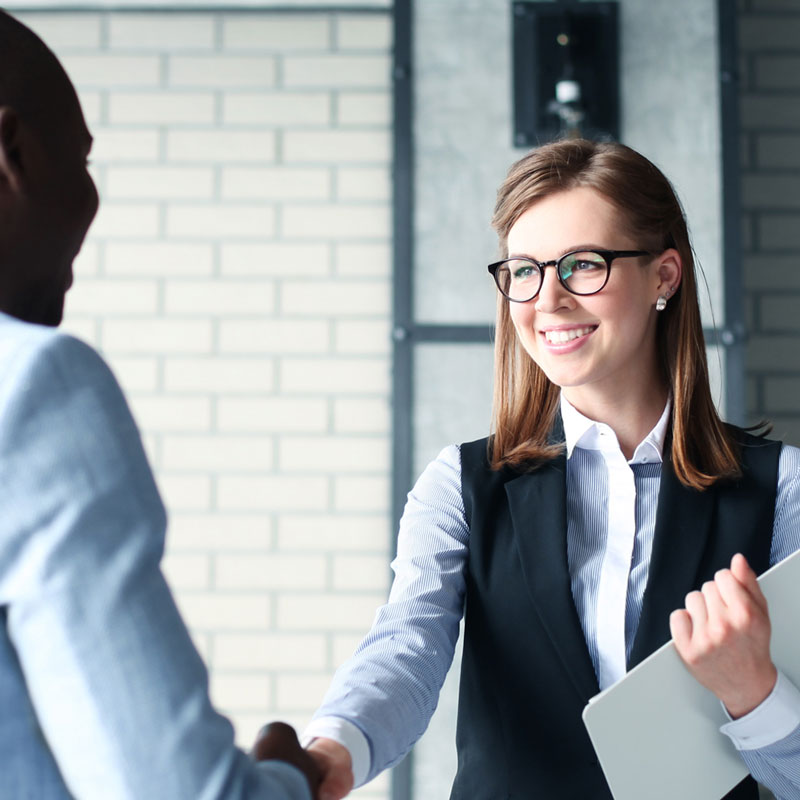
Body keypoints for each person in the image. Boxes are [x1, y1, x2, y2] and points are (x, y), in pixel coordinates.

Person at [303, 139, 800, 799]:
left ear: (665, 276)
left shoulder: (780, 488)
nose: (549, 299)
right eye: (525, 270)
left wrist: (752, 693)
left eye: (583, 264)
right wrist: (329, 755)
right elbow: (406, 651)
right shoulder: (461, 487)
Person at [0, 10, 320, 799]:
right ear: (12, 156)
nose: (92, 197)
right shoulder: (34, 384)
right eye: (79, 159)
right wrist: (286, 768)